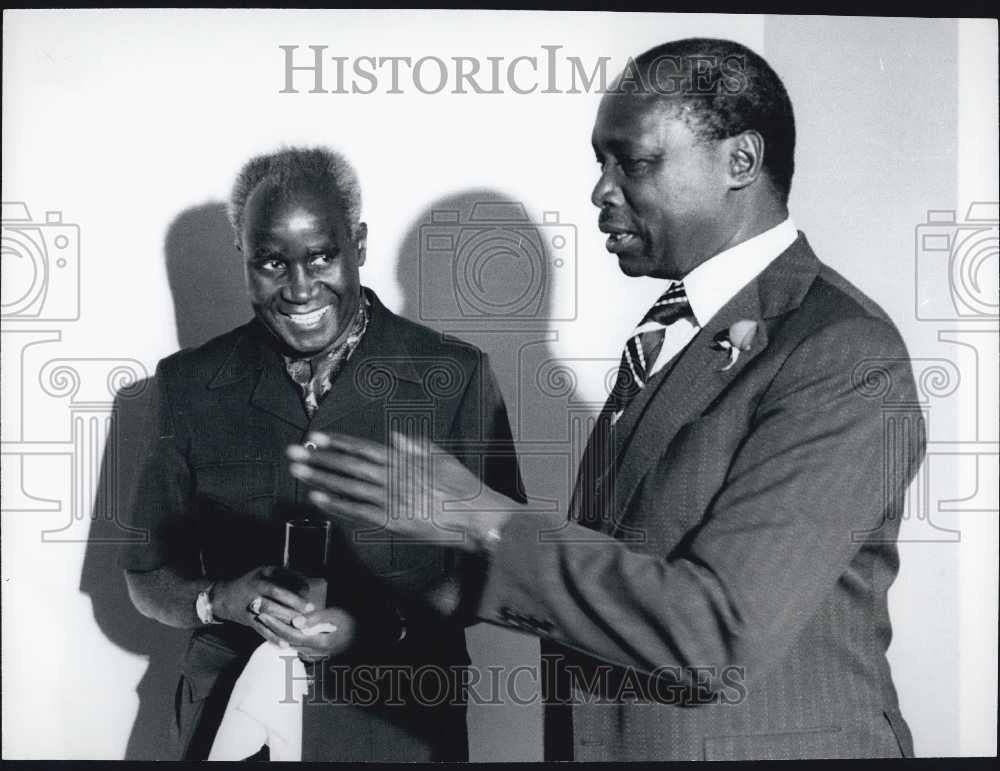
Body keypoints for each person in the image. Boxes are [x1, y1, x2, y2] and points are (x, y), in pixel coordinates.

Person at [289, 39, 926, 761]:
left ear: (740, 161)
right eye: (600, 161)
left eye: (635, 161)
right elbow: (612, 578)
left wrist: (482, 514)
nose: (601, 189)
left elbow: (717, 633)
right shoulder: (675, 332)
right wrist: (370, 606)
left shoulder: (841, 352)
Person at [120, 146, 523, 761]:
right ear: (243, 258)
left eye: (321, 257)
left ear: (357, 244)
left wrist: (373, 624)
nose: (300, 288)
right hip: (228, 715)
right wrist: (217, 599)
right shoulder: (188, 383)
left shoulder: (455, 375)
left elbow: (503, 564)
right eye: (272, 263)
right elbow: (146, 575)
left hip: (398, 726)